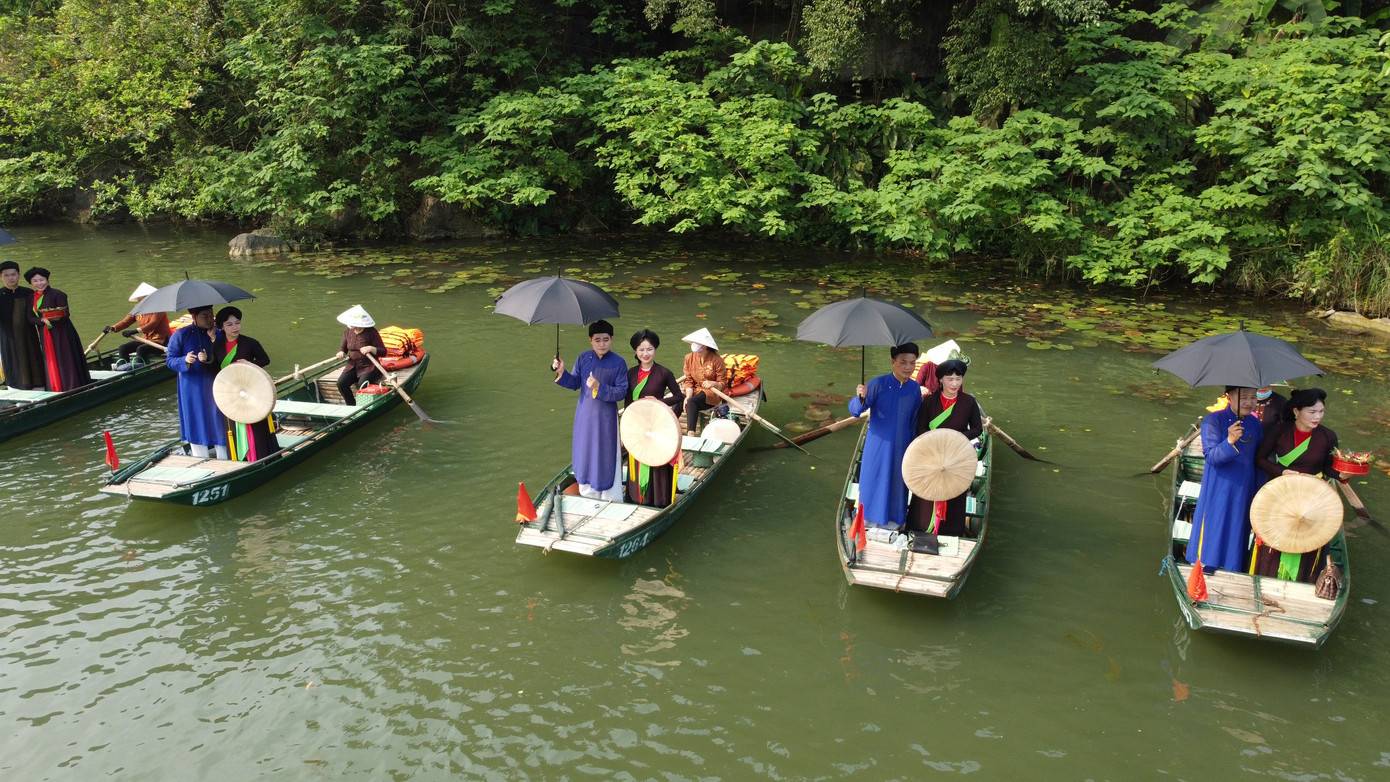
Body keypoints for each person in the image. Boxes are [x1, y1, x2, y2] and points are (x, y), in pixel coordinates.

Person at [1251, 388, 1346, 582]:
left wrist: (1344, 474)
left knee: (1309, 536)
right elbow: (1259, 459)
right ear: (1296, 411)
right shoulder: (1280, 431)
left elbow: (1329, 469)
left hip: (1312, 496)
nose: (1317, 417)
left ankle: (1305, 581)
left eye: (1321, 412)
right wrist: (1281, 471)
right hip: (1282, 492)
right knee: (1275, 536)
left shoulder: (1328, 436)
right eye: (1312, 412)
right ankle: (1266, 578)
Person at [1184, 386, 1263, 573]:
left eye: (1253, 397)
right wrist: (1228, 441)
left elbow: (1259, 459)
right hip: (1219, 486)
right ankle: (1204, 567)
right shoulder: (1214, 421)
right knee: (1215, 523)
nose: (1249, 402)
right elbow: (1211, 457)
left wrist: (1260, 490)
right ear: (1229, 397)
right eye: (1243, 397)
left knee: (1238, 526)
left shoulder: (1254, 423)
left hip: (1244, 486)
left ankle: (1233, 568)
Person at [904, 359, 983, 537]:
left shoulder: (968, 402)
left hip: (956, 455)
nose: (954, 383)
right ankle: (920, 528)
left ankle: (950, 531)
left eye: (958, 378)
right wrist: (937, 441)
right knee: (926, 492)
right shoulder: (929, 402)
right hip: (932, 454)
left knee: (954, 491)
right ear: (940, 380)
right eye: (950, 379)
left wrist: (957, 438)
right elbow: (920, 428)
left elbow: (978, 429)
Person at [848, 343, 923, 530]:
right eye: (903, 362)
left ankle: (893, 524)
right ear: (893, 362)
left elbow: (914, 421)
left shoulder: (914, 388)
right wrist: (860, 397)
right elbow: (856, 411)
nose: (908, 367)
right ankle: (866, 523)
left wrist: (914, 449)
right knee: (874, 481)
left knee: (898, 483)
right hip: (878, 446)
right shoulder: (877, 384)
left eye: (912, 363)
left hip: (903, 445)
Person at [554, 320, 629, 501]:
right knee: (585, 451)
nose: (601, 344)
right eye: (597, 340)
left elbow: (621, 391)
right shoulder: (583, 358)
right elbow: (574, 383)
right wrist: (561, 372)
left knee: (605, 454)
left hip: (606, 418)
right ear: (590, 340)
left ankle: (610, 497)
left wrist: (599, 387)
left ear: (612, 339)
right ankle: (587, 494)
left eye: (605, 339)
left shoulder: (619, 363)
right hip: (584, 416)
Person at [625, 329, 684, 507]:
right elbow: (628, 403)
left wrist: (659, 401)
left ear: (655, 350)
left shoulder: (664, 373)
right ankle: (637, 497)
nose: (645, 353)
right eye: (641, 350)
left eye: (649, 349)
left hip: (657, 424)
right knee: (638, 457)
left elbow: (678, 396)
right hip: (637, 426)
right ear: (635, 351)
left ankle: (658, 499)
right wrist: (625, 428)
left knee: (656, 460)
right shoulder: (630, 373)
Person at [212, 306, 280, 463]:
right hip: (230, 394)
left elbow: (265, 359)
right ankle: (240, 460)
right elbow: (214, 367)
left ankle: (263, 458)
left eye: (237, 323)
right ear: (221, 327)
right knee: (233, 425)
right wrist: (204, 359)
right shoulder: (217, 346)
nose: (235, 327)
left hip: (252, 392)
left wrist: (250, 363)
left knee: (256, 425)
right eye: (229, 324)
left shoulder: (250, 343)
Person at [166, 305, 227, 459]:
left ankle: (225, 457)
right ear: (194, 317)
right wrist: (185, 360)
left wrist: (214, 340)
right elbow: (170, 360)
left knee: (218, 418)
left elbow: (226, 355)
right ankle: (200, 458)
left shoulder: (219, 333)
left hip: (215, 382)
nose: (210, 319)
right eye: (205, 316)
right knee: (195, 417)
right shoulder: (181, 335)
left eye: (211, 315)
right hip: (192, 385)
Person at [24, 267, 92, 392]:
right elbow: (30, 318)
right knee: (51, 361)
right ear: (31, 283)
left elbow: (66, 314)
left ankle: (73, 387)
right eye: (35, 281)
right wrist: (41, 320)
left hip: (62, 332)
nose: (39, 283)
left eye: (42, 280)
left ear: (47, 280)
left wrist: (53, 316)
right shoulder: (31, 298)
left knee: (66, 358)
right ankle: (56, 387)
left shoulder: (58, 294)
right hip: (45, 333)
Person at [102, 282, 172, 368]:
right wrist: (112, 328)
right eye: (139, 299)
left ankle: (139, 370)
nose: (140, 300)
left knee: (141, 349)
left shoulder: (159, 308)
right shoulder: (137, 310)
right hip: (146, 339)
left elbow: (153, 323)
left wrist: (135, 331)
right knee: (123, 348)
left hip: (161, 340)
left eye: (142, 298)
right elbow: (125, 322)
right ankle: (122, 369)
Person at [0, 260, 44, 390]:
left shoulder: (29, 293)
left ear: (19, 274)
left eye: (13, 274)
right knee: (13, 364)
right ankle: (18, 395)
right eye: (6, 275)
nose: (10, 278)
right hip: (8, 338)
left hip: (29, 335)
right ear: (1, 277)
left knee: (34, 361)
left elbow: (38, 314)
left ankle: (40, 392)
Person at [334, 305, 386, 406]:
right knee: (341, 383)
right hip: (352, 365)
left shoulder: (372, 332)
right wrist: (341, 352)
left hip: (369, 366)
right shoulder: (348, 331)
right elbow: (343, 348)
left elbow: (383, 351)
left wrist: (371, 348)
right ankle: (351, 406)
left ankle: (363, 406)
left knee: (362, 385)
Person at [680, 327, 728, 435]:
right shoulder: (689, 358)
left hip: (711, 393)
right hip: (696, 389)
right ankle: (670, 428)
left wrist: (714, 383)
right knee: (682, 400)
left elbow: (723, 383)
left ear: (704, 345)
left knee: (692, 402)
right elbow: (688, 380)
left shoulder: (717, 360)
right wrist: (688, 395)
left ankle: (690, 434)